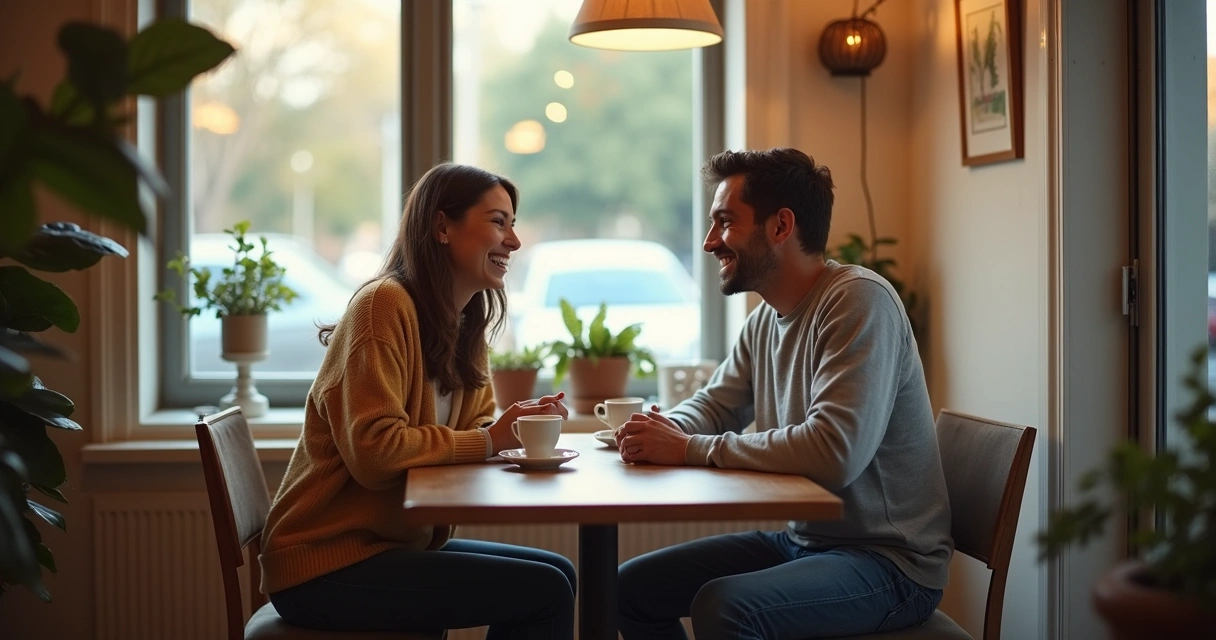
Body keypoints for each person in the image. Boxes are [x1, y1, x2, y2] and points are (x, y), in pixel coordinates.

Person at [614, 148, 952, 639]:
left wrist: (687, 448)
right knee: (629, 588)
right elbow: (715, 405)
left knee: (727, 607)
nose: (710, 242)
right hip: (806, 542)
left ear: (780, 226)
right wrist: (659, 431)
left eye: (725, 222)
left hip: (890, 563)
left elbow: (834, 450)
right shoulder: (765, 321)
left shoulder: (858, 301)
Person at [260, 163, 576, 639]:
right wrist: (490, 440)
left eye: (512, 223)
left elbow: (480, 423)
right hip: (326, 563)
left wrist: (511, 430)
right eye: (498, 221)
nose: (514, 241)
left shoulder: (464, 321)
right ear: (442, 226)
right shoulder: (381, 307)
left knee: (562, 575)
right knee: (545, 590)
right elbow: (375, 452)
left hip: (394, 546)